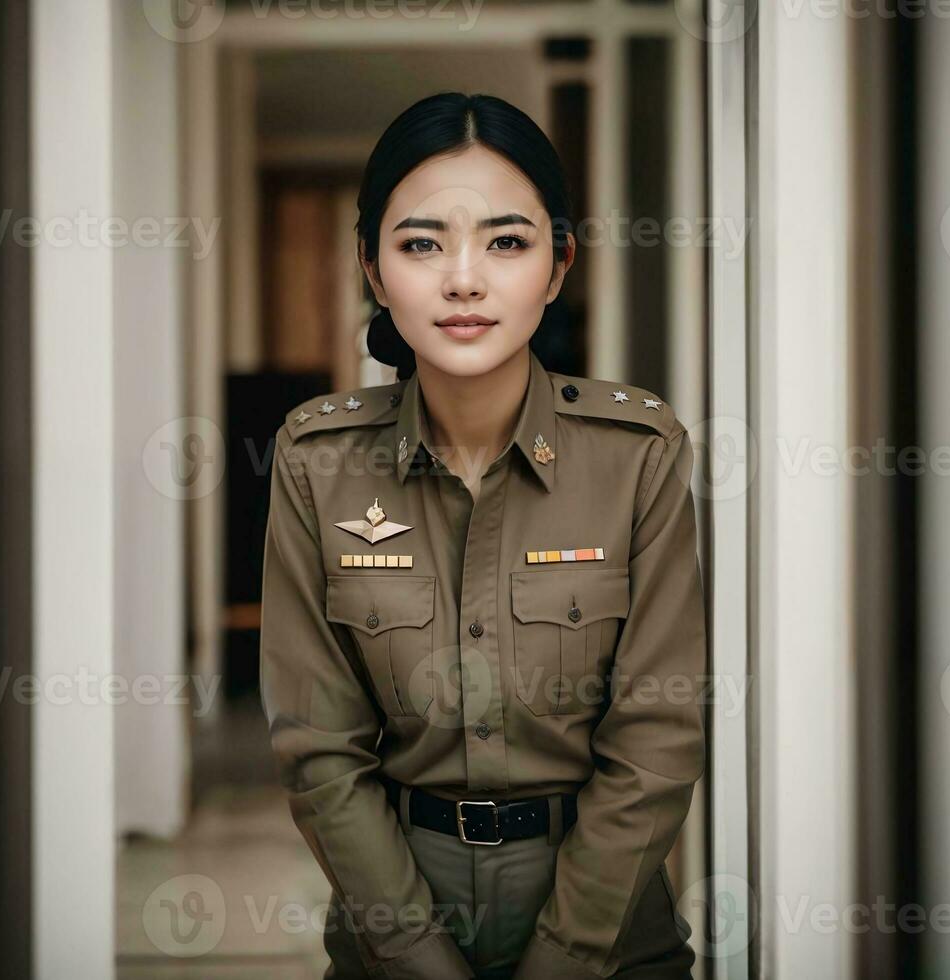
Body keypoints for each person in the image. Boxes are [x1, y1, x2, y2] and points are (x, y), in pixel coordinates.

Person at [259, 92, 706, 980]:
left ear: (557, 263)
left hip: (610, 939)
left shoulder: (636, 456)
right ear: (373, 270)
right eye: (421, 243)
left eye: (506, 241)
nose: (463, 279)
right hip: (390, 938)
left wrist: (565, 957)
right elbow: (318, 750)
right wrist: (418, 957)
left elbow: (657, 737)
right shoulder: (317, 458)